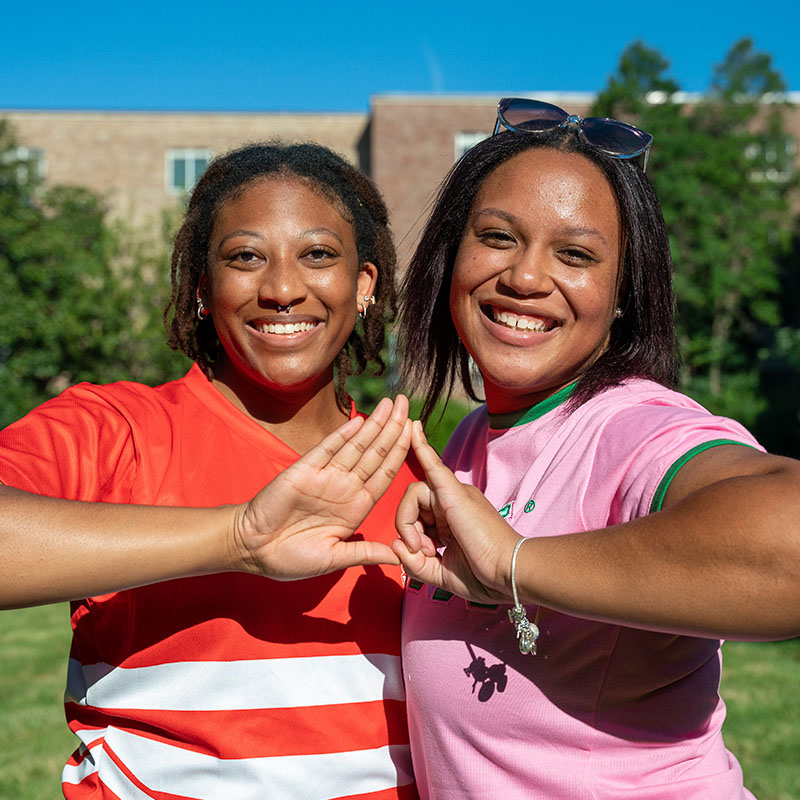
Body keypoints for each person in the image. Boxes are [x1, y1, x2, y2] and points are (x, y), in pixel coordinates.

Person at [392, 99, 800, 799]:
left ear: (621, 296)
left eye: (575, 254)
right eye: (497, 237)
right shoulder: (472, 438)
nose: (525, 277)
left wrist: (514, 562)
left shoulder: (630, 427)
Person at [0, 142, 420, 799]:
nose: (282, 289)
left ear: (364, 284)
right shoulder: (113, 429)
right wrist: (237, 540)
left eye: (317, 254)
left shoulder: (414, 473)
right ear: (204, 288)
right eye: (246, 256)